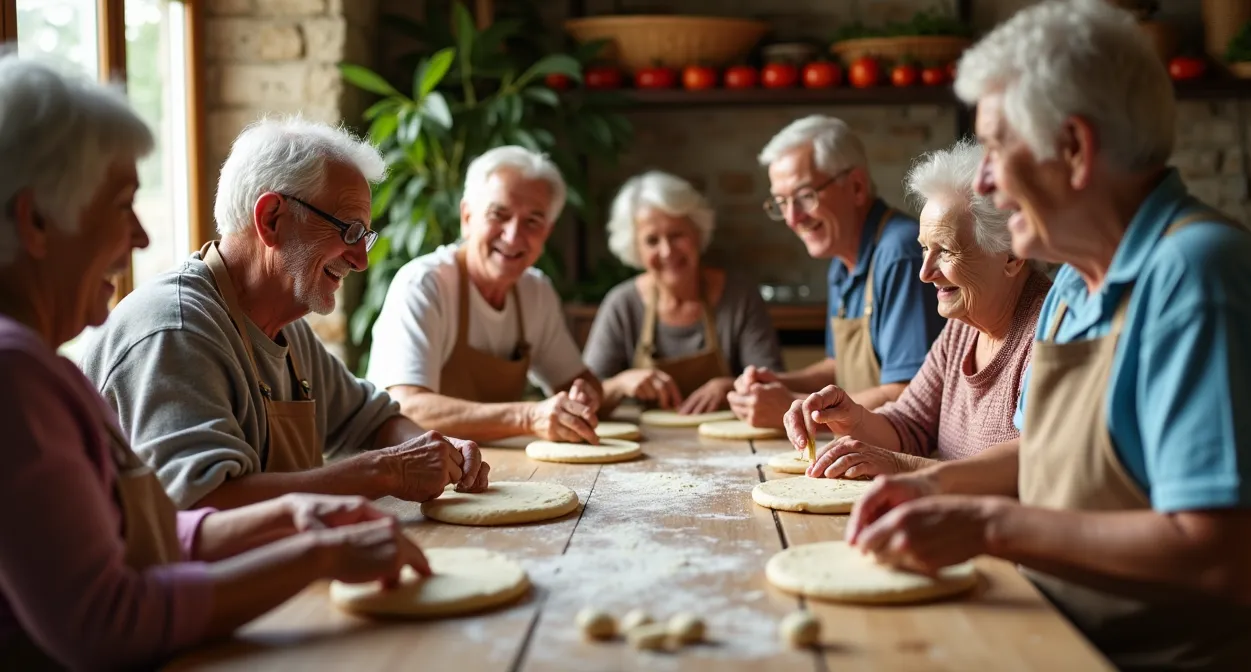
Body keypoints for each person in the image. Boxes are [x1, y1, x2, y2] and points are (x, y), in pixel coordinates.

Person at [845, 1, 1251, 669]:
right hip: (1062, 640)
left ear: (1075, 148)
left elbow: (1224, 558)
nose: (981, 180)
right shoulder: (1072, 282)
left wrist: (987, 525)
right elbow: (1048, 455)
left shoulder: (1201, 282)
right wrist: (933, 486)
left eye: (997, 147)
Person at [0, 54, 430, 671]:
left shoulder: (42, 368)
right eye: (122, 205)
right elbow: (106, 620)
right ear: (35, 221)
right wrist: (318, 554)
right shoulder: (15, 377)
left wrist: (298, 515)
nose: (142, 238)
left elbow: (144, 537)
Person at [80, 117, 489, 511]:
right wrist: (386, 471)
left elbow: (371, 419)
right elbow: (205, 504)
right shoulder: (177, 329)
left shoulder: (284, 327)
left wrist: (435, 450)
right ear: (271, 218)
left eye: (364, 236)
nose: (361, 260)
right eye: (349, 231)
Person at [783, 139, 1051, 479]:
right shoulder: (963, 327)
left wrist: (899, 465)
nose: (925, 272)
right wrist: (852, 418)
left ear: (1011, 255)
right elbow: (909, 425)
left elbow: (1032, 467)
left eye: (947, 251)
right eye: (925, 249)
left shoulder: (1048, 330)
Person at [366, 146, 603, 444]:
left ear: (547, 232)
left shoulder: (535, 291)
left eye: (532, 221)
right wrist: (527, 417)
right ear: (467, 217)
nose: (513, 236)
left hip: (488, 468)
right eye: (498, 215)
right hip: (404, 473)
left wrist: (583, 399)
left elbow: (576, 381)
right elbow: (406, 407)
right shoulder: (425, 284)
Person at [729, 115, 946, 429]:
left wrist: (794, 409)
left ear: (856, 187)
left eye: (804, 196)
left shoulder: (900, 253)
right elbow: (838, 366)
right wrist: (775, 382)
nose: (793, 218)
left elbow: (908, 391)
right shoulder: (842, 261)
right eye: (781, 202)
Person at [583, 170, 783, 415]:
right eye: (652, 241)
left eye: (677, 235)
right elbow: (586, 398)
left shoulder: (740, 297)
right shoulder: (622, 304)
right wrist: (621, 383)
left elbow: (776, 385)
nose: (667, 251)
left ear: (697, 234)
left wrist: (730, 387)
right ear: (635, 249)